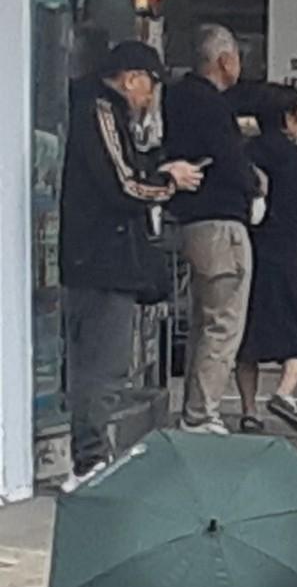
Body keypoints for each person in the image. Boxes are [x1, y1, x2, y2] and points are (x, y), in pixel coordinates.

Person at [58, 42, 206, 490]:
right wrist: (168, 180)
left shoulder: (104, 114)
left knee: (99, 364)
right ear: (132, 78)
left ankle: (91, 454)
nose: (150, 98)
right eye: (151, 86)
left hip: (99, 259)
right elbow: (123, 184)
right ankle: (88, 460)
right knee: (100, 365)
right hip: (101, 260)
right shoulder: (100, 111)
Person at [163, 24, 261, 434]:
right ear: (224, 60)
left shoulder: (174, 98)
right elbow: (230, 161)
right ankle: (202, 413)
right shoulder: (214, 106)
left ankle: (194, 408)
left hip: (189, 221)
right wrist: (255, 182)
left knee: (203, 319)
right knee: (223, 322)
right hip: (222, 224)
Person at [234, 84, 297, 436]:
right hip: (288, 254)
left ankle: (248, 410)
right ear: (290, 119)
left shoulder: (242, 155)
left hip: (246, 251)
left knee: (246, 336)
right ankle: (285, 392)